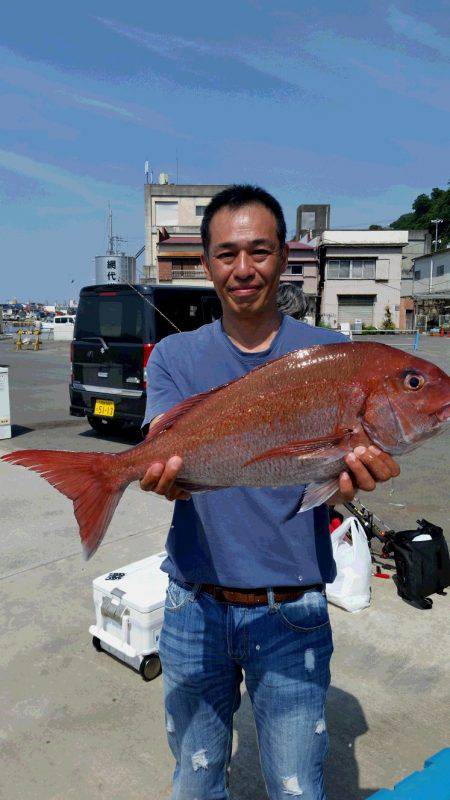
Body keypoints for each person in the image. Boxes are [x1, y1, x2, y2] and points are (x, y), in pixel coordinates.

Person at [140, 185, 400, 800]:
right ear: (206, 263)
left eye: (259, 250)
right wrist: (164, 476)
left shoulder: (332, 354)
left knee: (295, 785)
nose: (244, 268)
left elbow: (324, 482)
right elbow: (165, 452)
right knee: (195, 778)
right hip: (193, 603)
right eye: (227, 253)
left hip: (293, 607)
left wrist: (343, 487)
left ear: (285, 256)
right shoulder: (175, 356)